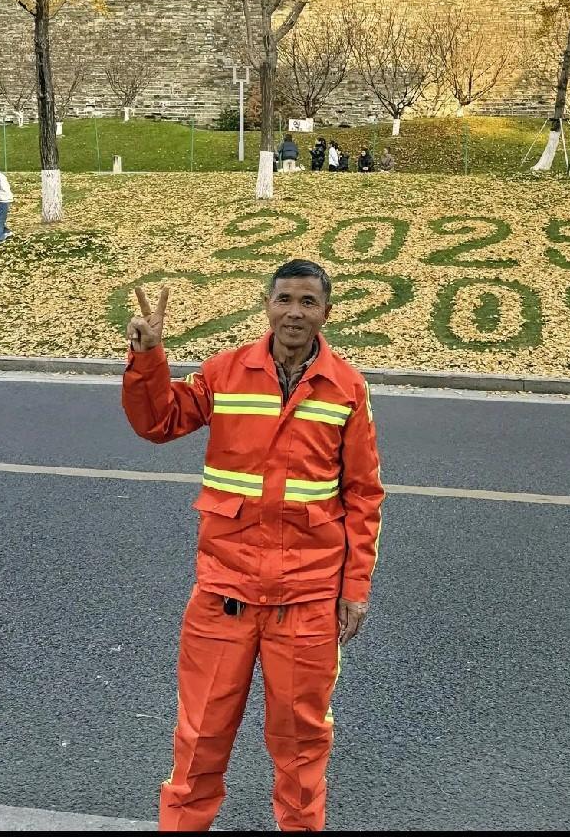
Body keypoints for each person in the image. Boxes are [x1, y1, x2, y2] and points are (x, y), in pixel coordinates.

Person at [122, 261, 384, 833]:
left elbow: (364, 495)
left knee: (301, 750)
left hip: (307, 601)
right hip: (225, 595)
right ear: (267, 306)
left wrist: (355, 590)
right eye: (284, 299)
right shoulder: (226, 371)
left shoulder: (347, 388)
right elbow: (158, 421)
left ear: (326, 313)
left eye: (308, 302)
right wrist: (148, 358)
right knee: (198, 744)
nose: (295, 311)